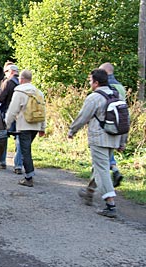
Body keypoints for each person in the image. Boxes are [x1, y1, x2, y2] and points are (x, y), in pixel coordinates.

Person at [68, 68, 127, 218]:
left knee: (102, 170)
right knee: (100, 166)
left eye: (90, 80)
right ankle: (89, 192)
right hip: (114, 136)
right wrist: (122, 141)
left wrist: (72, 131)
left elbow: (83, 117)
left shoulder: (94, 97)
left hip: (99, 138)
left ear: (96, 82)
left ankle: (110, 204)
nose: (89, 83)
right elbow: (126, 118)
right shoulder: (116, 94)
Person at [5, 70, 46, 187]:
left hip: (24, 125)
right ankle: (29, 174)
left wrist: (6, 125)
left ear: (21, 79)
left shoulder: (19, 92)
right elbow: (43, 111)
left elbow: (12, 111)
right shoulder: (39, 92)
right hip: (36, 125)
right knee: (26, 149)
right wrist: (43, 127)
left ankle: (29, 177)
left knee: (25, 151)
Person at [99, 62, 125, 187]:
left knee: (100, 159)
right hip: (119, 124)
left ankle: (106, 194)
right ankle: (114, 169)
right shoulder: (121, 87)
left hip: (104, 125)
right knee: (108, 153)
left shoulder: (104, 86)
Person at [0, 63, 23, 172]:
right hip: (20, 115)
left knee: (3, 137)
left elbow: (1, 99)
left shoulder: (8, 82)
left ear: (11, 72)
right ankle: (18, 165)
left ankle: (2, 162)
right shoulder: (23, 83)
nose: (5, 74)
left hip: (7, 113)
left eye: (6, 72)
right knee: (19, 140)